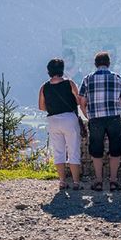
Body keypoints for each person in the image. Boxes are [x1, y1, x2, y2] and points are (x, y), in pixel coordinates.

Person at [78, 51, 121, 192]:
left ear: (95, 64)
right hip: (113, 118)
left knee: (96, 149)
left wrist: (87, 114)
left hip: (95, 119)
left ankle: (99, 181)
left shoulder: (87, 79)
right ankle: (113, 181)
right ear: (108, 63)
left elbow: (81, 101)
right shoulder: (117, 78)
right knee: (115, 149)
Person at [38, 58, 84, 190]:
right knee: (73, 149)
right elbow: (78, 99)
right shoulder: (70, 84)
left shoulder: (44, 87)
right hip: (69, 118)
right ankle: (76, 182)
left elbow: (41, 107)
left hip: (53, 119)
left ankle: (62, 181)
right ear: (62, 70)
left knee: (59, 151)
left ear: (49, 71)